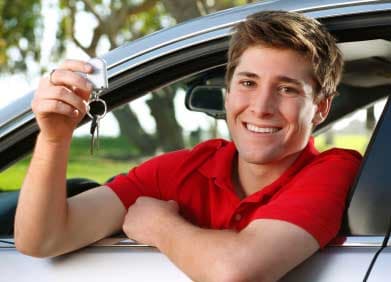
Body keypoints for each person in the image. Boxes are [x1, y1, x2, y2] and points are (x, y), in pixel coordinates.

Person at [15, 10, 361, 282]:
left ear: (320, 108)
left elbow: (236, 273)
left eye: (287, 89)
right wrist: (54, 138)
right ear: (228, 93)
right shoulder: (180, 169)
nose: (261, 106)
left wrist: (159, 227)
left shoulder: (335, 169)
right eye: (248, 82)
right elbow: (41, 240)